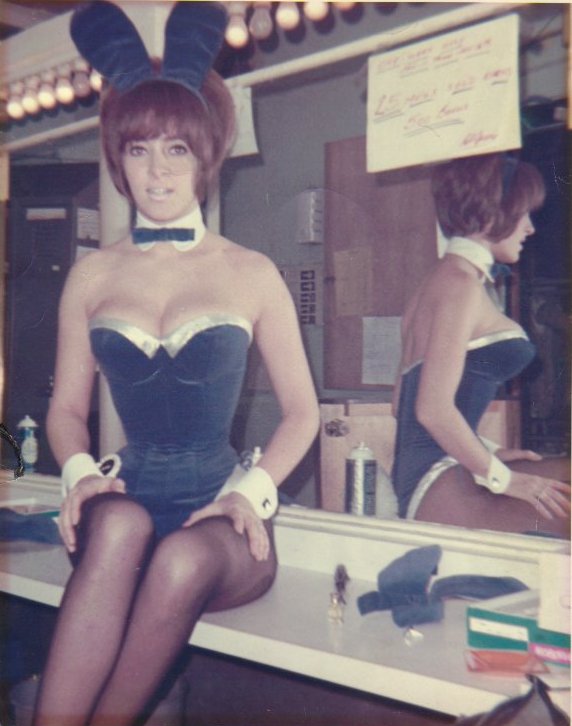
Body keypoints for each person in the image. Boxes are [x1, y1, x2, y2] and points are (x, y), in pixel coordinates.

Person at [32, 3, 319, 725]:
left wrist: (248, 494)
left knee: (181, 557)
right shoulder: (91, 276)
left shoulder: (252, 272)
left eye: (177, 149)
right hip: (125, 516)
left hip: (220, 523)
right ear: (117, 158)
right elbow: (65, 411)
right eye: (138, 150)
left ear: (206, 155)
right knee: (120, 525)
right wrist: (79, 477)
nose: (157, 171)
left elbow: (302, 414)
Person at [391, 152, 570, 537]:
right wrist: (506, 479)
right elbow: (432, 410)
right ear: (492, 215)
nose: (530, 228)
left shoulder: (436, 284)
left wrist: (490, 452)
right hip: (438, 484)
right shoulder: (460, 287)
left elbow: (400, 405)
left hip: (435, 475)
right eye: (524, 213)